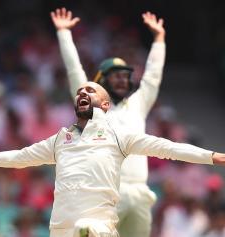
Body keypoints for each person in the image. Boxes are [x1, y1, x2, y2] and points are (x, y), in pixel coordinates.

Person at [0, 82, 225, 237]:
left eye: (90, 91)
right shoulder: (61, 139)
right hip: (61, 229)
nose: (83, 92)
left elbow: (169, 147)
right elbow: (23, 157)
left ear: (105, 104)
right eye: (80, 91)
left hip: (98, 228)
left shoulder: (120, 135)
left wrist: (219, 157)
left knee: (90, 228)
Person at [51, 8, 166, 237]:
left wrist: (159, 40)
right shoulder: (92, 105)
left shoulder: (137, 105)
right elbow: (75, 69)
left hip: (140, 192)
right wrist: (64, 32)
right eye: (116, 75)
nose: (123, 79)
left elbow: (152, 77)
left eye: (125, 76)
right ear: (101, 80)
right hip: (106, 191)